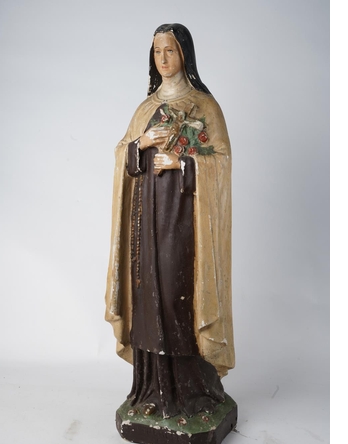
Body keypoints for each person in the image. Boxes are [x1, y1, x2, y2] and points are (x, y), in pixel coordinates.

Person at [105, 24, 234, 419]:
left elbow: (222, 161)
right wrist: (141, 144)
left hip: (184, 224)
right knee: (147, 297)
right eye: (157, 51)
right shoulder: (145, 108)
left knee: (179, 297)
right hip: (145, 222)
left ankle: (192, 393)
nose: (163, 58)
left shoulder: (203, 106)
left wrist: (183, 162)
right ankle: (151, 390)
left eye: (170, 51)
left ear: (184, 55)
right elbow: (122, 154)